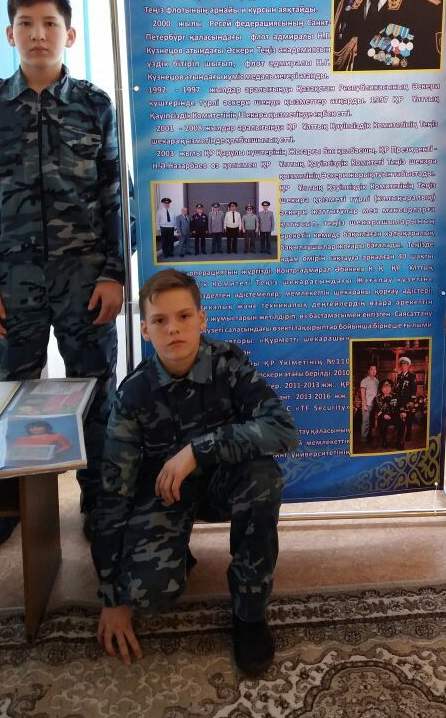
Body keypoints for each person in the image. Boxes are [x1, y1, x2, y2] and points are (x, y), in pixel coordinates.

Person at [91, 269, 299, 674]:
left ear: (201, 319)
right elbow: (113, 494)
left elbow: (283, 430)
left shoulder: (228, 364)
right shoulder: (132, 395)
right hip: (164, 492)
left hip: (223, 484)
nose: (174, 329)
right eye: (160, 320)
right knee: (146, 595)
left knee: (263, 479)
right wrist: (111, 598)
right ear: (145, 330)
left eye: (184, 316)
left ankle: (250, 613)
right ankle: (174, 552)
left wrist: (199, 450)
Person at [0, 0, 124, 548]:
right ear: (10, 33)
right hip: (10, 282)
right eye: (26, 23)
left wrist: (115, 274)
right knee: (10, 393)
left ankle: (100, 499)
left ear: (69, 34)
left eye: (49, 23)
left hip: (84, 280)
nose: (38, 34)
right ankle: (13, 503)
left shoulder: (94, 105)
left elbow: (115, 195)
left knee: (94, 391)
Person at [394, 356, 417, 448]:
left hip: (408, 400)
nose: (403, 366)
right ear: (401, 366)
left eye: (405, 365)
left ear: (408, 366)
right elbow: (397, 388)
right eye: (402, 365)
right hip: (400, 400)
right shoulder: (399, 376)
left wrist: (412, 401)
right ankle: (400, 436)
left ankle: (409, 433)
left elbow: (414, 389)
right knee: (401, 418)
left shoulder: (412, 376)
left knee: (409, 418)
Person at [359, 363, 379, 444]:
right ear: (368, 371)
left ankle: (370, 436)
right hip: (367, 405)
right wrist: (364, 405)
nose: (374, 371)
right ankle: (363, 438)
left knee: (372, 422)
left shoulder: (377, 381)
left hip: (375, 405)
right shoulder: (364, 381)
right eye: (372, 369)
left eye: (375, 369)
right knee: (366, 422)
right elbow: (362, 394)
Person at [375, 379, 398, 449]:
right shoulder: (377, 398)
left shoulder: (396, 396)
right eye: (384, 387)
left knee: (401, 423)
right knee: (382, 424)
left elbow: (399, 407)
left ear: (391, 388)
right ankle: (384, 441)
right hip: (383, 417)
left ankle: (399, 442)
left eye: (388, 386)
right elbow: (376, 411)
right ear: (381, 388)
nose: (387, 388)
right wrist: (383, 415)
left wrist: (401, 412)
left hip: (394, 416)